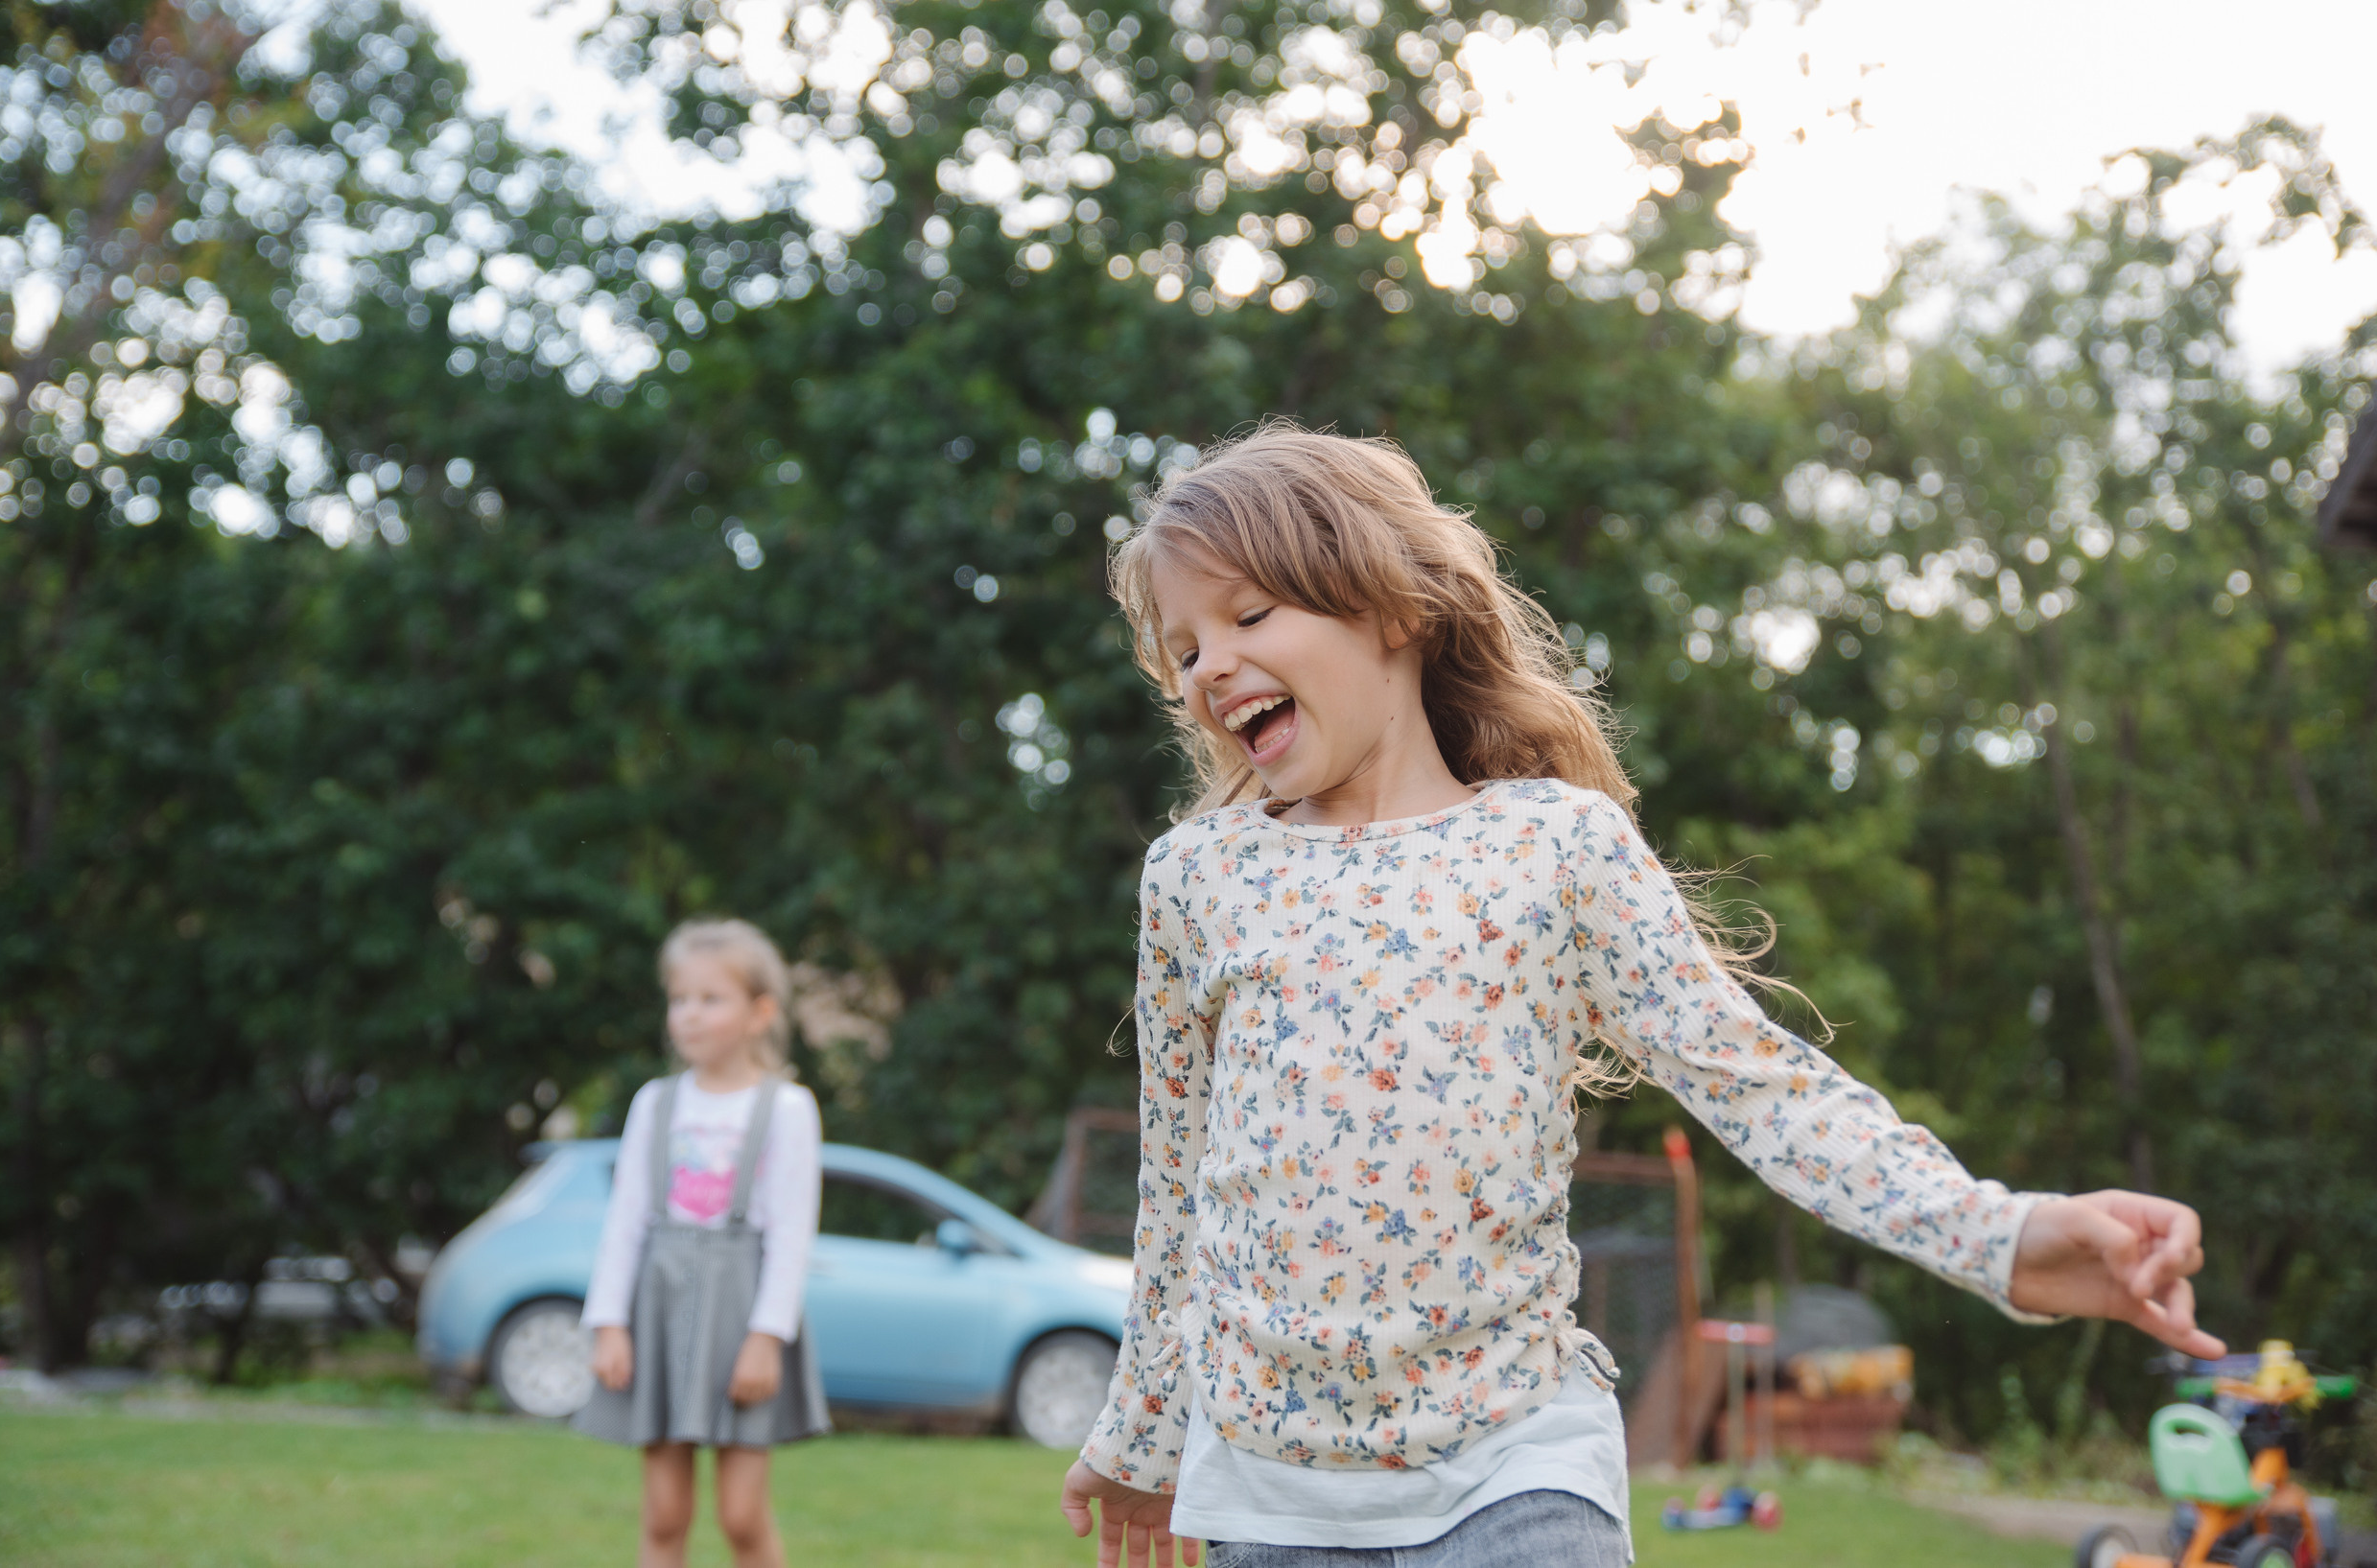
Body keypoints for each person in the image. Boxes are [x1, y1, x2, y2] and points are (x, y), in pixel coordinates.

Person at [1057, 428, 2223, 1568]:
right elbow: (1179, 1185)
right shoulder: (1200, 876)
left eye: (1249, 618)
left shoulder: (1556, 847)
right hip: (1273, 1499)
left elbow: (1758, 1086)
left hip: (1513, 1468)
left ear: (1394, 610)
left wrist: (2000, 1237)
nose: (1209, 666)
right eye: (1184, 646)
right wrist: (1144, 1436)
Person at [577, 918, 829, 1568]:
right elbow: (626, 1219)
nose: (689, 1014)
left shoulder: (789, 1108)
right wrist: (608, 1322)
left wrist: (765, 1337)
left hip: (741, 1316)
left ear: (759, 1012)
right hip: (659, 1311)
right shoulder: (654, 1102)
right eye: (679, 998)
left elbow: (791, 1231)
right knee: (664, 1516)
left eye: (710, 998)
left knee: (742, 1518)